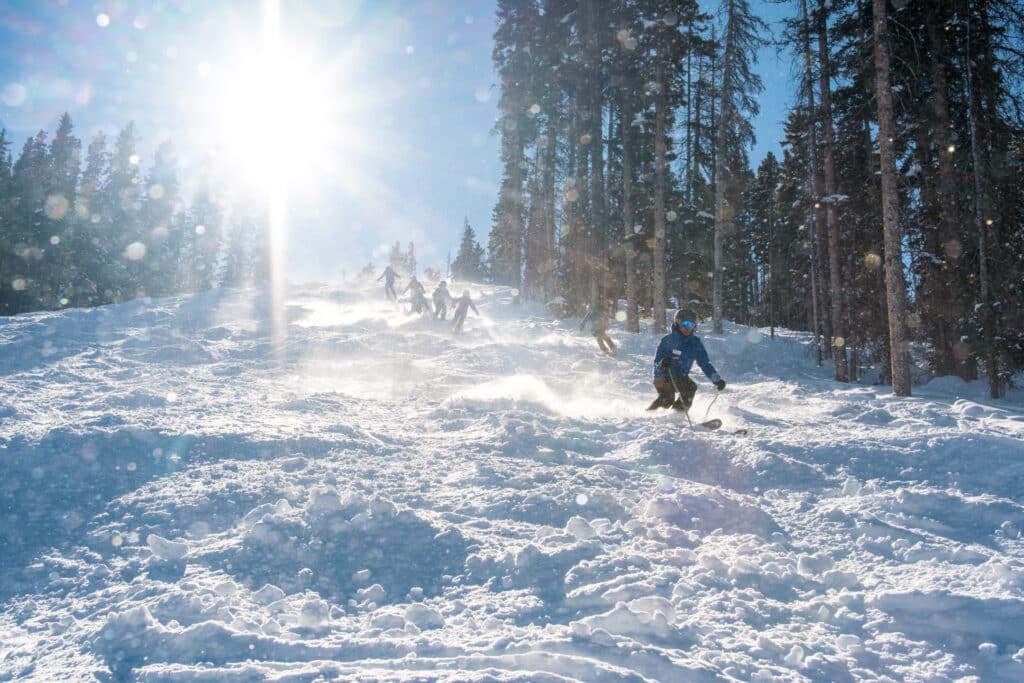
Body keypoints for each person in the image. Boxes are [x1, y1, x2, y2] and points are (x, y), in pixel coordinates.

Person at [649, 308, 726, 412]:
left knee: (690, 387)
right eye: (684, 324)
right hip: (663, 376)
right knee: (668, 398)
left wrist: (716, 379)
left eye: (691, 325)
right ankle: (650, 415)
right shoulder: (668, 340)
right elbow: (657, 361)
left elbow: (705, 363)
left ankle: (677, 414)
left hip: (680, 377)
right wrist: (662, 364)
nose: (687, 328)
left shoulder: (695, 343)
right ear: (677, 323)